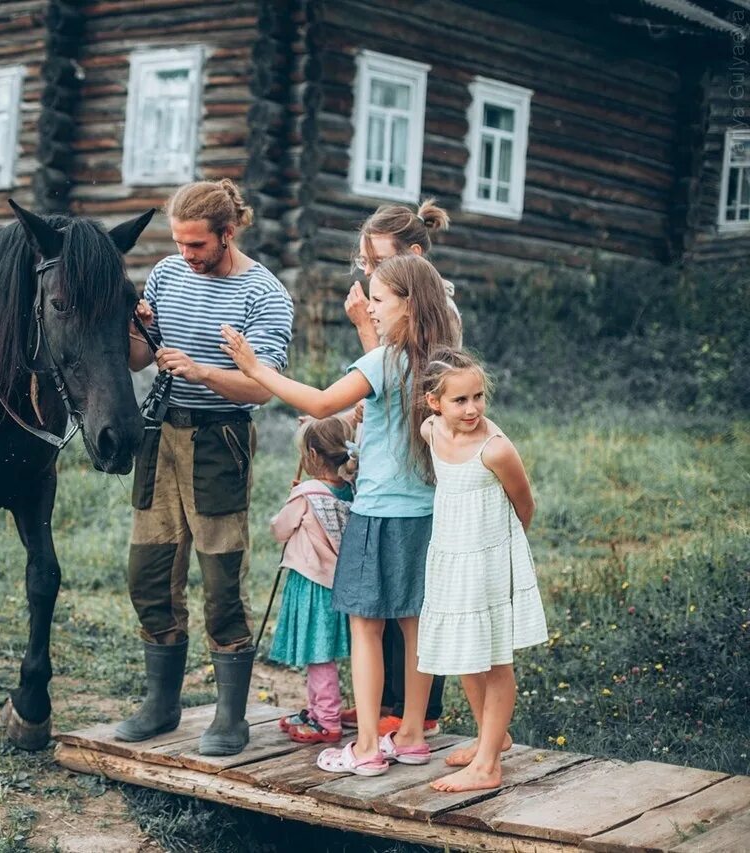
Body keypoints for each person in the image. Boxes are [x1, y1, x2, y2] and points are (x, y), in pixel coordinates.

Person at [220, 254, 457, 776]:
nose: (369, 310)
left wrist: (257, 369)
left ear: (407, 304)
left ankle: (369, 748)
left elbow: (323, 404)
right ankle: (413, 737)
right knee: (414, 626)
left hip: (377, 516)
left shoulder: (384, 362)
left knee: (366, 628)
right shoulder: (442, 361)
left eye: (377, 300)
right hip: (426, 516)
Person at [115, 179, 294, 757]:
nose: (186, 255)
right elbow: (141, 357)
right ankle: (161, 704)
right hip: (161, 434)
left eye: (196, 245)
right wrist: (133, 325)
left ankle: (229, 717)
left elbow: (263, 388)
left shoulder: (264, 294)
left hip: (221, 440)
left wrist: (202, 371)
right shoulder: (168, 275)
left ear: (228, 232)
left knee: (221, 580)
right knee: (149, 570)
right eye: (179, 243)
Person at [339, 199, 456, 738]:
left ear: (411, 258)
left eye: (376, 262)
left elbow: (406, 375)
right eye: (364, 264)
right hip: (392, 474)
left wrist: (367, 329)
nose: (368, 275)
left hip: (407, 485)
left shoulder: (438, 310)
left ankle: (415, 715)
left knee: (406, 607)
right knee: (393, 606)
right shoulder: (400, 300)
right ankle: (394, 711)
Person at [417, 348, 548, 792]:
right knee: (464, 652)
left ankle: (489, 764)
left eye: (478, 397)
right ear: (434, 403)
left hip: (489, 561)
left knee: (494, 662)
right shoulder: (430, 431)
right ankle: (493, 736)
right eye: (460, 400)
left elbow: (524, 505)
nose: (472, 408)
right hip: (452, 559)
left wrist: (498, 553)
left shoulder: (496, 449)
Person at [269, 416, 357, 744]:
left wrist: (292, 500)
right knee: (319, 652)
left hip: (310, 583)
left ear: (313, 456)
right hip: (337, 583)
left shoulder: (306, 493)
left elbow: (280, 530)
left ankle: (328, 719)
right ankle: (315, 710)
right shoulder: (350, 489)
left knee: (318, 655)